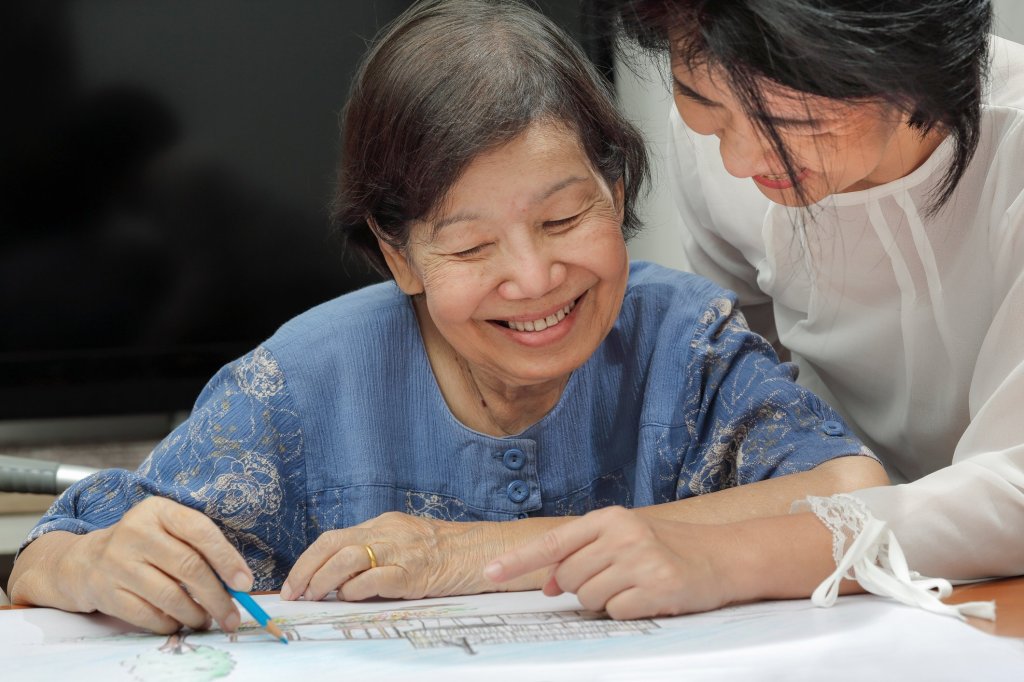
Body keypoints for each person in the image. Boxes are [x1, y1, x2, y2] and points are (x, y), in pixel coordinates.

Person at [5, 0, 886, 633]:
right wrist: (88, 564)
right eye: (469, 248)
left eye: (565, 219)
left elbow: (855, 493)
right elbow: (63, 548)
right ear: (398, 255)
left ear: (617, 190)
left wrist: (473, 550)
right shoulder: (297, 386)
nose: (535, 278)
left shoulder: (685, 343)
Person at [487, 0, 1021, 620]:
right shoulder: (724, 147)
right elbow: (746, 389)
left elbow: (1015, 486)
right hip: (830, 582)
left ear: (908, 67)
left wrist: (724, 556)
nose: (737, 161)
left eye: (787, 119)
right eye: (705, 108)